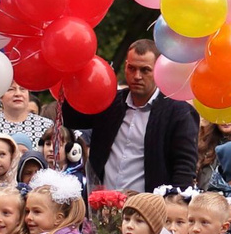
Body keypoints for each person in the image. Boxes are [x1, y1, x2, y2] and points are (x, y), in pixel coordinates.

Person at [68, 41, 200, 193]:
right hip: (102, 206)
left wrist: (176, 206)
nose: (137, 76)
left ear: (158, 70)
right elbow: (72, 118)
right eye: (132, 68)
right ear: (125, 66)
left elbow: (184, 169)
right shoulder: (109, 102)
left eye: (145, 70)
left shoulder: (178, 113)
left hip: (148, 210)